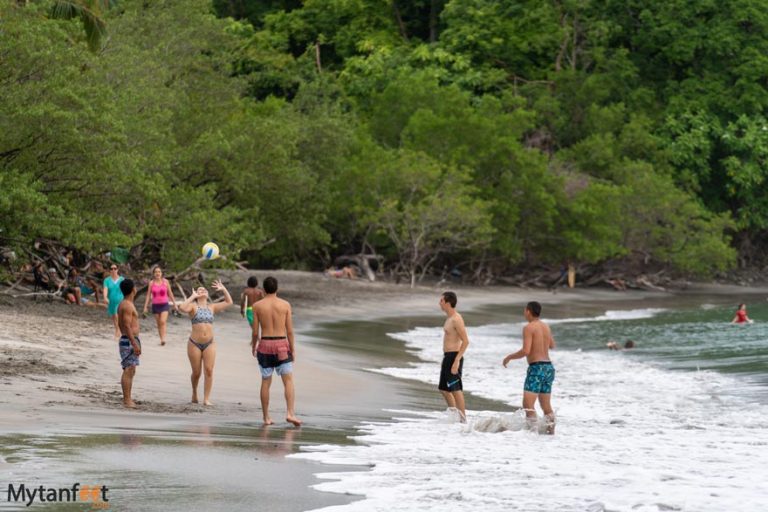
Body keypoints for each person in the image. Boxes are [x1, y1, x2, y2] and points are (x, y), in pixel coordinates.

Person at [251, 276, 301, 427]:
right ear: (277, 289)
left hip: (265, 344)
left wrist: (254, 345)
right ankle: (290, 413)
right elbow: (290, 331)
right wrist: (292, 348)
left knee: (266, 381)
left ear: (264, 289)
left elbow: (255, 332)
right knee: (288, 381)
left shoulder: (257, 306)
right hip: (281, 345)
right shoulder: (285, 305)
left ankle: (266, 417)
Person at [502, 301, 556, 435]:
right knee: (546, 407)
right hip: (548, 368)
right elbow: (552, 345)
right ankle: (551, 434)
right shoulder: (546, 327)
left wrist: (509, 357)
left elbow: (526, 351)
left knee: (528, 405)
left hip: (536, 368)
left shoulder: (529, 327)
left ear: (528, 311)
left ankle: (533, 434)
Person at [178, 280, 233, 406]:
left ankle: (206, 399)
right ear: (197, 294)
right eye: (200, 290)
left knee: (208, 370)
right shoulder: (193, 306)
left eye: (204, 290)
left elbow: (229, 302)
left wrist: (223, 289)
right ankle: (194, 392)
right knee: (196, 373)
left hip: (210, 343)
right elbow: (181, 308)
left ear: (208, 294)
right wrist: (192, 296)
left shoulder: (212, 307)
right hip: (194, 343)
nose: (202, 291)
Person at [437, 291, 470, 423]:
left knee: (456, 389)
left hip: (454, 357)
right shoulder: (449, 318)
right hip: (447, 357)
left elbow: (466, 341)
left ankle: (463, 420)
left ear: (448, 302)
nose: (439, 303)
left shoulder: (457, 319)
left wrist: (456, 360)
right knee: (443, 389)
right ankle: (454, 414)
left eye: (441, 301)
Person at [117, 279, 141, 408]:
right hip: (128, 340)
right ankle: (126, 400)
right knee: (128, 369)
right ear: (133, 290)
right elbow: (126, 325)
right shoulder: (126, 305)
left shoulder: (126, 304)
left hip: (130, 339)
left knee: (131, 369)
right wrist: (134, 343)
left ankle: (128, 398)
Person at [142, 266, 177, 346]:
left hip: (165, 304)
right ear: (154, 274)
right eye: (156, 272)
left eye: (159, 272)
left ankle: (164, 338)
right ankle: (162, 340)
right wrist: (145, 307)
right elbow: (148, 295)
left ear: (161, 273)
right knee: (159, 324)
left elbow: (170, 293)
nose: (157, 273)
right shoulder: (151, 283)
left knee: (162, 321)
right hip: (155, 305)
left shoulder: (166, 282)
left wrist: (174, 304)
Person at [103, 264, 125, 339]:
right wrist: (105, 297)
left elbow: (126, 289)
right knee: (114, 316)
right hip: (111, 301)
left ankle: (118, 331)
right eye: (111, 269)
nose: (113, 270)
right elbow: (105, 289)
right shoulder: (107, 280)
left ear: (117, 270)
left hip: (120, 300)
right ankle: (117, 329)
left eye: (115, 268)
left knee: (116, 315)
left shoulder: (122, 279)